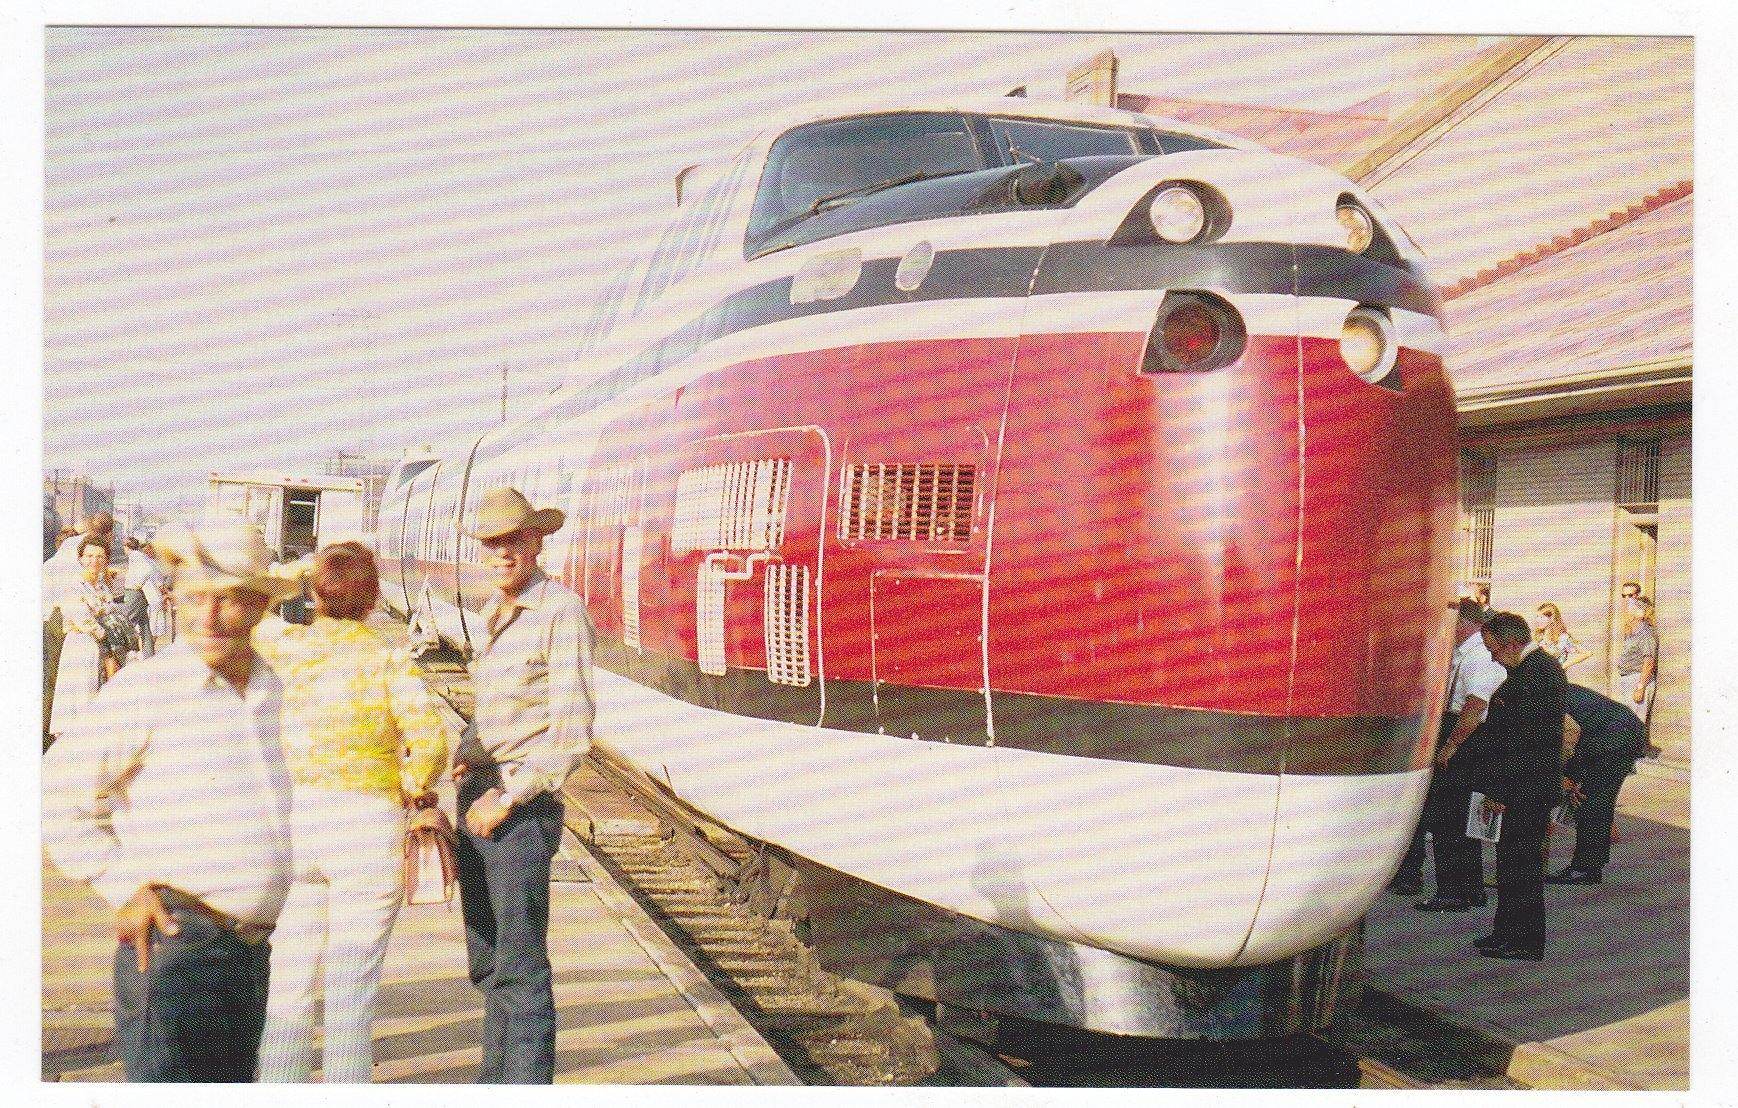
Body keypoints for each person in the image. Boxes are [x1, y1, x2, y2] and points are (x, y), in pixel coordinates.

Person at [42, 521, 301, 1081]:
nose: (207, 617)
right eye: (194, 598)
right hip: (172, 953)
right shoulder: (148, 690)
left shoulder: (271, 691)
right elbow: (56, 796)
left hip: (249, 955)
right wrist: (121, 886)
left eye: (226, 599)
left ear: (258, 607)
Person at [253, 542, 453, 1083]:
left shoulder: (287, 646)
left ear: (315, 594)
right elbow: (430, 742)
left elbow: (259, 606)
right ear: (373, 596)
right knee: (350, 997)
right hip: (368, 828)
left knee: (286, 989)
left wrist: (295, 574)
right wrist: (413, 787)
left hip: (300, 824)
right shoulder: (387, 657)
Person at [452, 487, 595, 1083]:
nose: (503, 553)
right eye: (492, 544)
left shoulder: (559, 612)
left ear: (536, 543)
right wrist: (463, 758)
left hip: (519, 807)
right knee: (489, 961)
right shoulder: (493, 612)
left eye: (514, 541)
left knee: (521, 960)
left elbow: (573, 728)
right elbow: (493, 708)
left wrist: (507, 798)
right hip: (478, 792)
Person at [1466, 612, 1568, 961]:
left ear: (1511, 644)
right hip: (1526, 783)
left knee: (1520, 865)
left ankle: (1524, 941)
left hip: (1527, 786)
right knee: (1510, 863)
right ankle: (1507, 933)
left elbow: (1523, 740)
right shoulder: (1531, 670)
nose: (1492, 656)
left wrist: (1499, 790)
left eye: (1493, 648)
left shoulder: (1536, 674)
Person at [1395, 598, 1507, 910]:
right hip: (1456, 730)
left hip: (1466, 737)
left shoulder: (1479, 657)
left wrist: (1450, 747)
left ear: (1462, 624)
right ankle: (1468, 887)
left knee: (1449, 819)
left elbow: (1475, 706)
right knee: (1458, 818)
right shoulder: (1463, 654)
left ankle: (1453, 891)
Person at [1549, 684, 1649, 884]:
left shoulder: (1549, 699)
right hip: (1621, 733)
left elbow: (1572, 738)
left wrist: (1570, 777)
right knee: (1596, 800)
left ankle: (1585, 869)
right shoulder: (1555, 690)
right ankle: (1590, 866)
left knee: (1591, 801)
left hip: (1614, 738)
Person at [47, 537, 124, 743]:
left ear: (106, 559)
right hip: (82, 645)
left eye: (100, 556)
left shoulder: (102, 586)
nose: (94, 561)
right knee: (80, 689)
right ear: (80, 558)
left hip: (102, 647)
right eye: (89, 556)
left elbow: (112, 611)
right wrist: (104, 632)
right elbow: (81, 617)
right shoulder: (73, 584)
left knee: (99, 688)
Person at [1614, 595, 1658, 725]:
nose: (1628, 610)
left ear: (1641, 612)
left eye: (1631, 607)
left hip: (1637, 680)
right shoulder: (1633, 631)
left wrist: (1640, 687)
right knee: (1625, 725)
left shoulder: (1645, 632)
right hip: (1628, 679)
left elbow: (1649, 662)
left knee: (1634, 725)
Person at [1532, 602, 1589, 671]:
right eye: (1537, 617)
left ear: (1551, 619)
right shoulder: (1539, 637)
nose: (1537, 620)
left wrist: (1562, 666)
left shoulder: (1562, 638)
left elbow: (1587, 653)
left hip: (1554, 679)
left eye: (1541, 617)